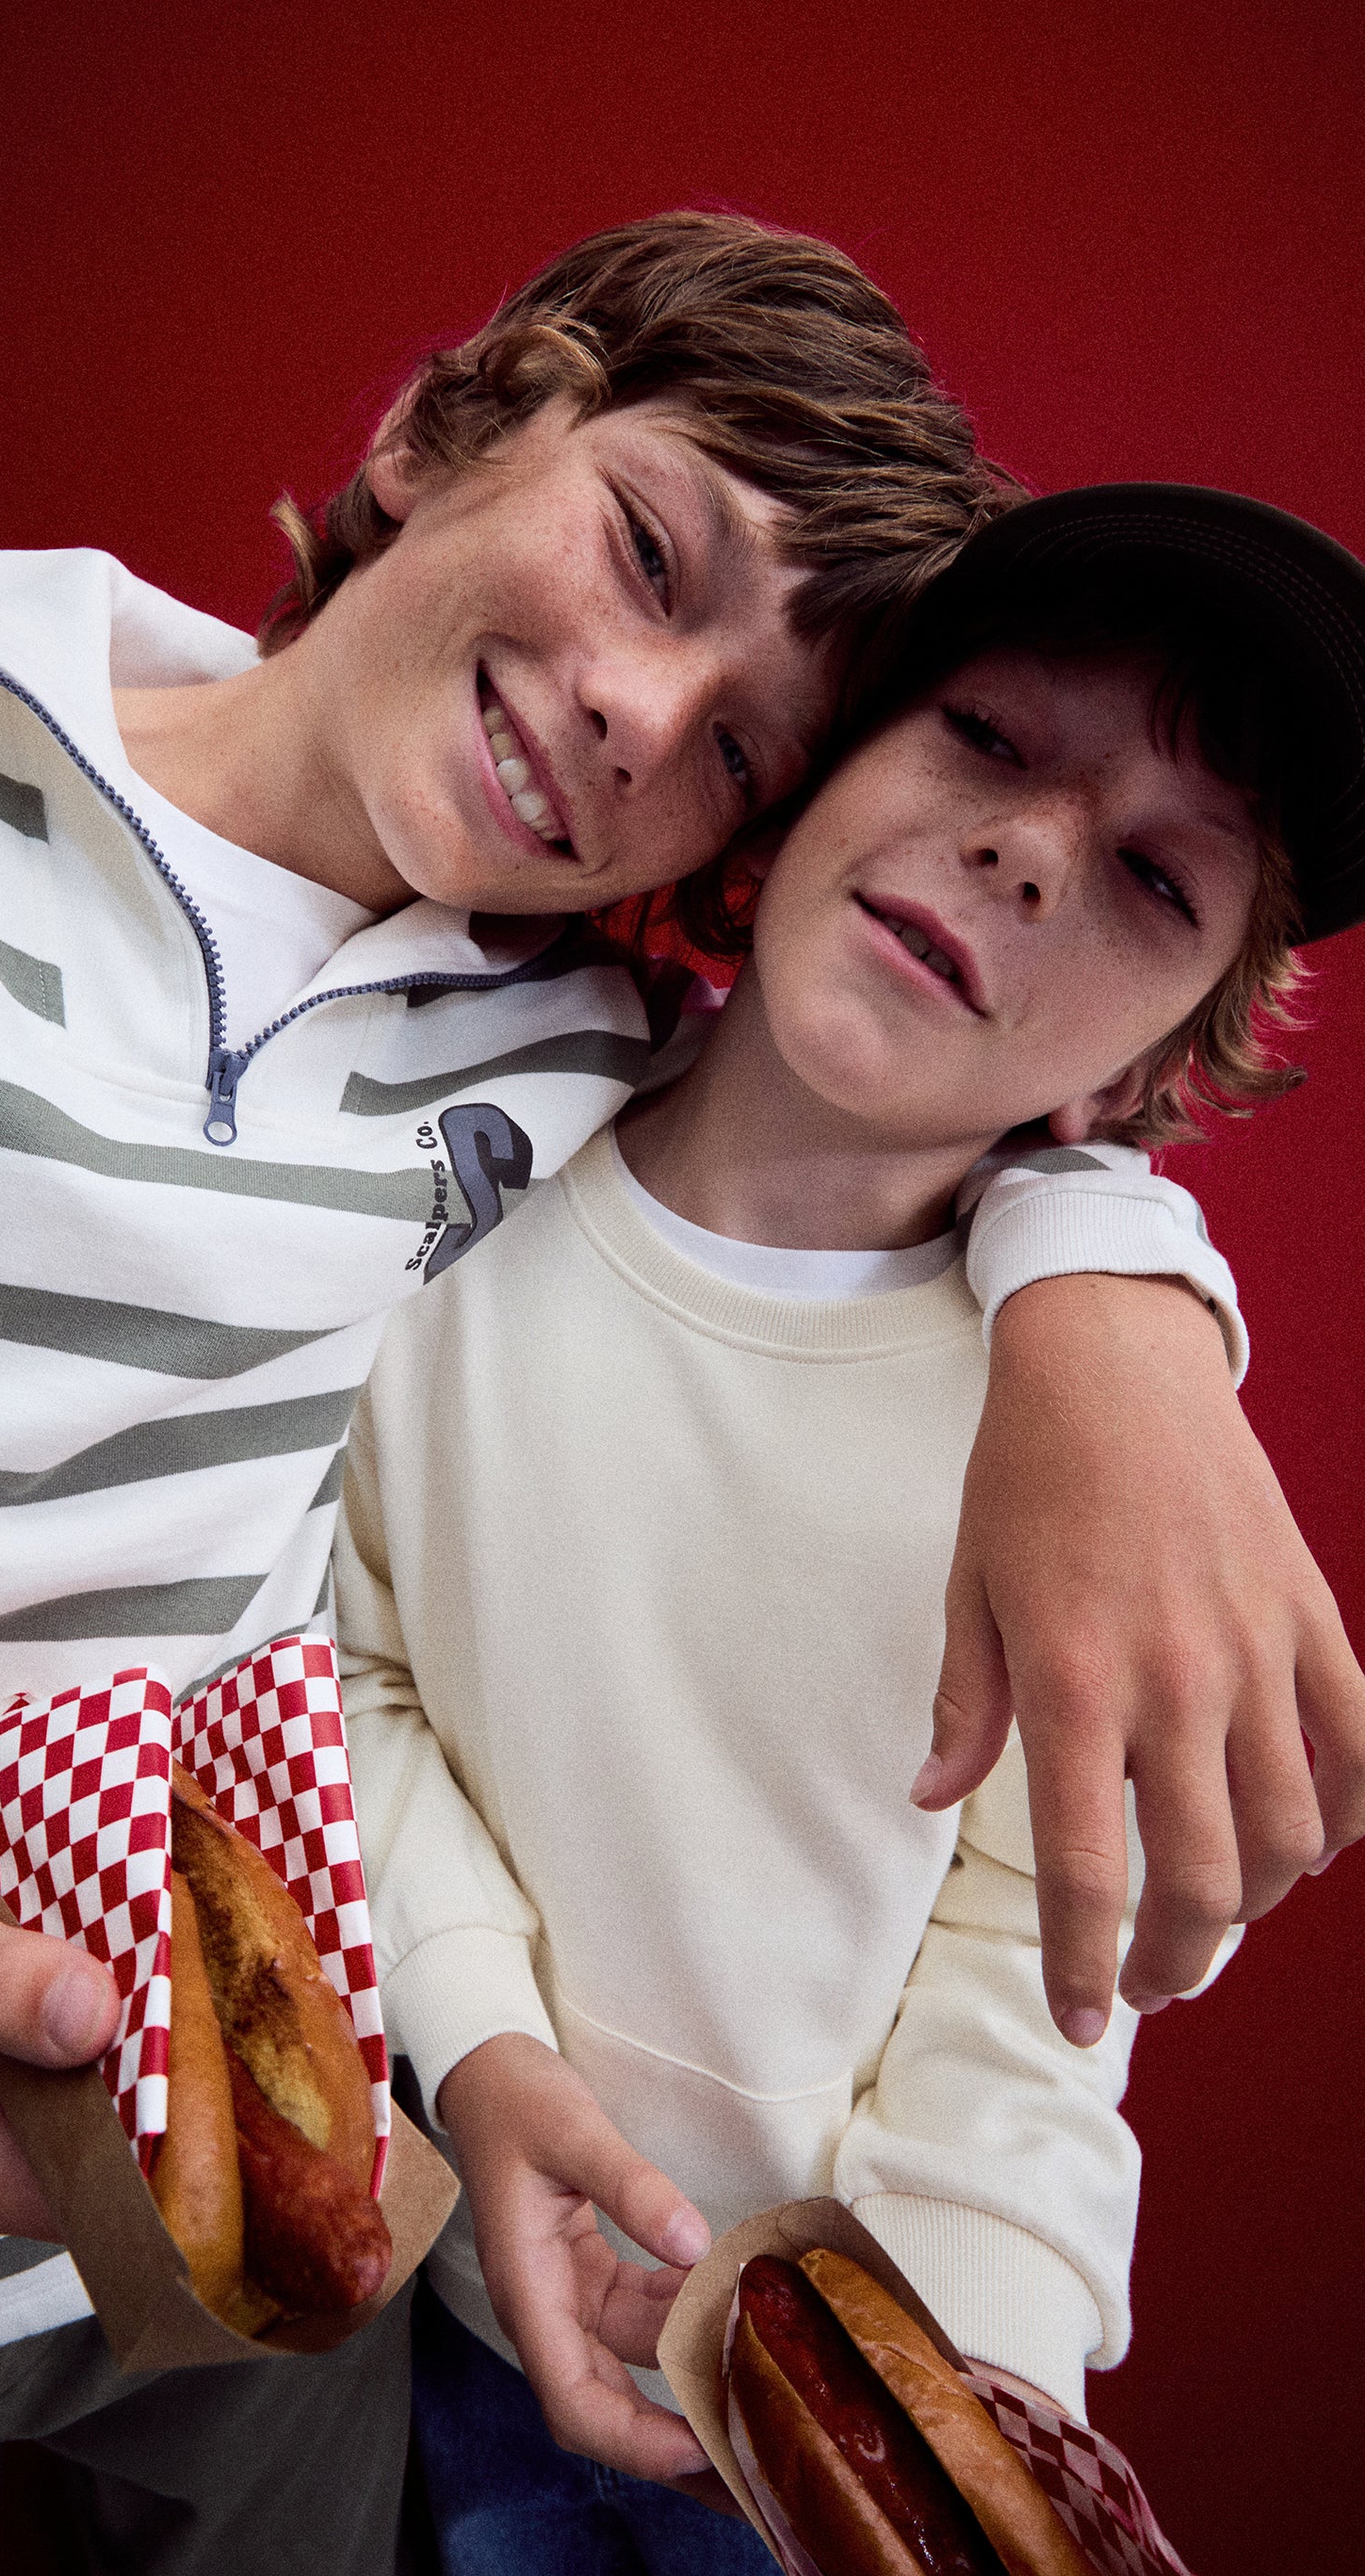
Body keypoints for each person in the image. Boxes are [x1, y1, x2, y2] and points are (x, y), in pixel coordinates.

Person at [0, 211, 1356, 2576]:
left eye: (736, 741)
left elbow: (888, 1172)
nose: (637, 714)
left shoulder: (520, 1048)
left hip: (308, 2240)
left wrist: (1113, 1292)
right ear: (443, 422)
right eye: (641, 554)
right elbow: (383, 1642)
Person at [331, 482, 1365, 2572]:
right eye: (985, 740)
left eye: (1155, 880)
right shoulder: (452, 1192)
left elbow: (1034, 1978)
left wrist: (948, 2405)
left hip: (831, 2410)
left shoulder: (1086, 1463)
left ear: (1161, 1059)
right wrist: (484, 2048)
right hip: (418, 2280)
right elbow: (349, 1666)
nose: (1027, 846)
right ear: (815, 768)